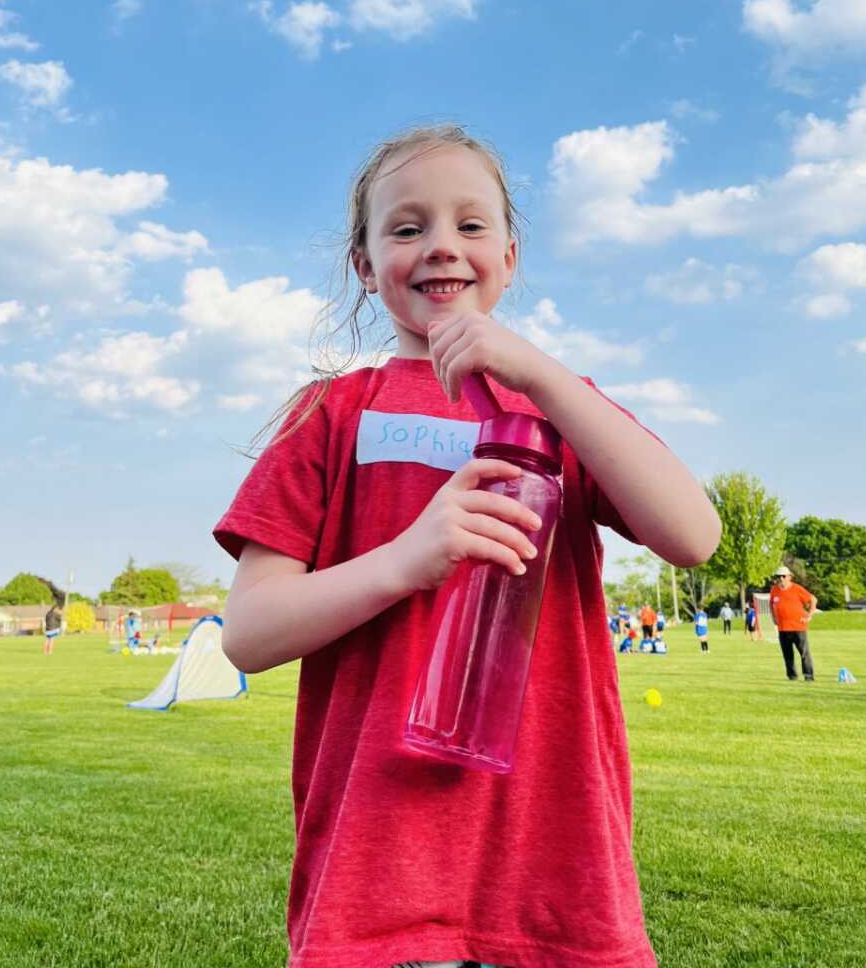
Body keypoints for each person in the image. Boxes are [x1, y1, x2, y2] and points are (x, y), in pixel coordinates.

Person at [213, 125, 722, 968]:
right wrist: (406, 560)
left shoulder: (562, 413)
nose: (441, 244)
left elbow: (693, 536)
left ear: (511, 259)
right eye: (407, 228)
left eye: (471, 225)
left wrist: (547, 378)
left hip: (554, 872)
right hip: (380, 873)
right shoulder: (334, 414)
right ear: (366, 266)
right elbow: (249, 633)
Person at [769, 566, 817, 681]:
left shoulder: (797, 589)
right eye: (778, 577)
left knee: (804, 653)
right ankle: (792, 676)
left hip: (798, 627)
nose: (781, 579)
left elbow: (813, 599)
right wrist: (773, 617)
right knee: (787, 654)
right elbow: (771, 604)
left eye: (783, 576)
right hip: (782, 628)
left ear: (789, 577)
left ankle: (808, 676)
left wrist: (809, 615)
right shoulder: (774, 590)